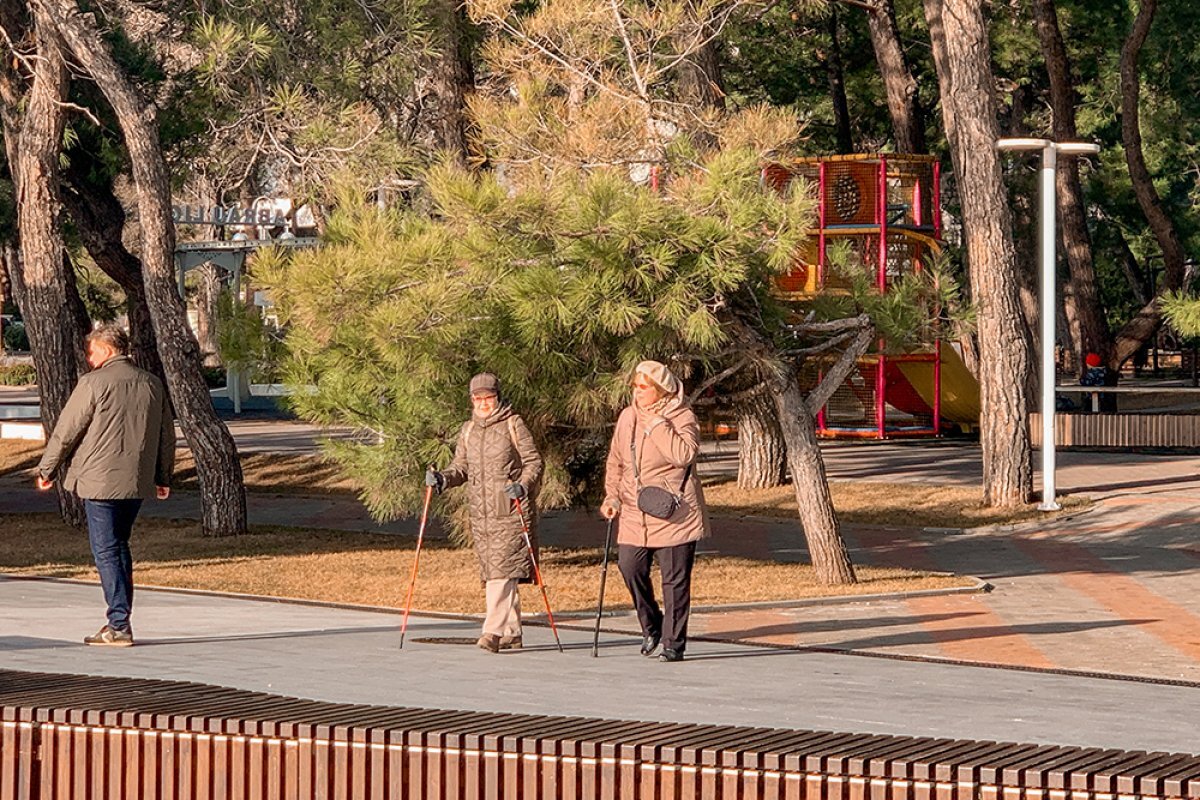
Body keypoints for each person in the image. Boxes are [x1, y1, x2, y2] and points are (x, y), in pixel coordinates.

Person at [35, 325, 174, 647]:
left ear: (108, 350)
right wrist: (162, 477)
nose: (89, 358)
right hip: (136, 481)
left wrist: (47, 469)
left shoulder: (93, 383)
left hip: (100, 481)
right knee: (119, 546)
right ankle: (118, 620)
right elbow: (166, 435)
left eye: (92, 351)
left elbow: (66, 431)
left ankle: (119, 624)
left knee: (107, 550)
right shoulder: (151, 383)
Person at [426, 373, 543, 653]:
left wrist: (523, 485)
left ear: (497, 397)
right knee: (496, 571)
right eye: (477, 398)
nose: (483, 403)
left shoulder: (514, 424)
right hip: (481, 514)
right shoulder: (468, 429)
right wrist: (442, 478)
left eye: (488, 398)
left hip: (510, 509)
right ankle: (511, 631)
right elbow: (461, 467)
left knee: (502, 570)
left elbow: (534, 462)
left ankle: (491, 631)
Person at [601, 360, 709, 663]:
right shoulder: (627, 417)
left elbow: (683, 455)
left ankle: (674, 643)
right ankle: (652, 626)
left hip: (675, 513)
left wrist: (658, 424)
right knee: (629, 566)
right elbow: (616, 460)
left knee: (674, 582)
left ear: (660, 390)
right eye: (635, 386)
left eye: (644, 387)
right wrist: (612, 496)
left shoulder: (681, 415)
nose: (637, 392)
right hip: (636, 510)